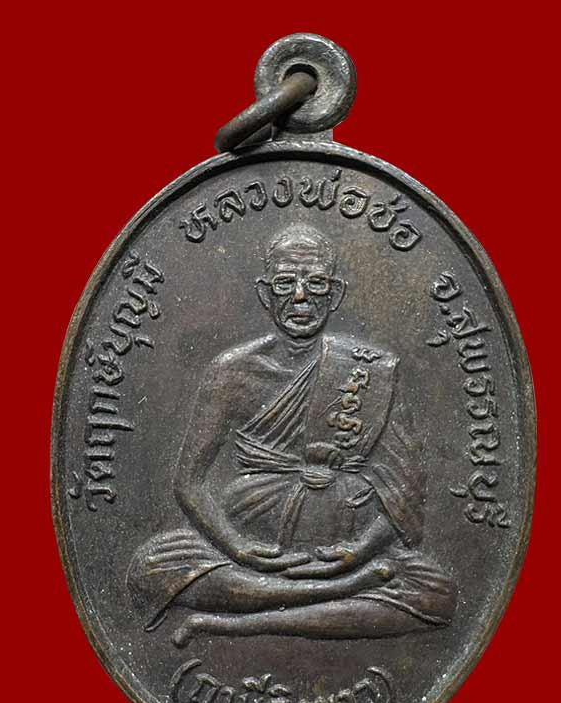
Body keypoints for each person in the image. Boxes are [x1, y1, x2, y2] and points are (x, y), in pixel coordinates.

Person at [127, 223, 456, 646]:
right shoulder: (231, 371)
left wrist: (358, 551)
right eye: (285, 283)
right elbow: (188, 482)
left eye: (315, 283)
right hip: (250, 547)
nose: (300, 297)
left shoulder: (370, 370)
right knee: (152, 567)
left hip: (345, 551)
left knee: (438, 594)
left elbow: (405, 495)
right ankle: (333, 595)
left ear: (335, 294)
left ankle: (245, 620)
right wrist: (237, 547)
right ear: (265, 294)